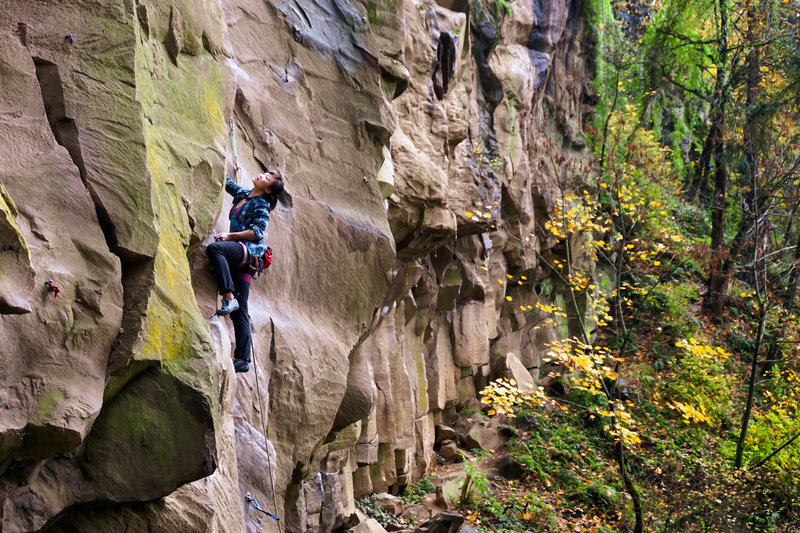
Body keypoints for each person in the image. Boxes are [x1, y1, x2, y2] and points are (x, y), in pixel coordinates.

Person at [207, 167, 284, 373]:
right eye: (265, 173)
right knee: (241, 309)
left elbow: (258, 232)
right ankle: (242, 358)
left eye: (267, 177)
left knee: (216, 249)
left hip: (248, 252)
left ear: (268, 190)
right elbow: (225, 180)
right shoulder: (244, 195)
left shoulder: (262, 204)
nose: (262, 175)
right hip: (241, 253)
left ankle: (228, 295)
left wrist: (230, 236)